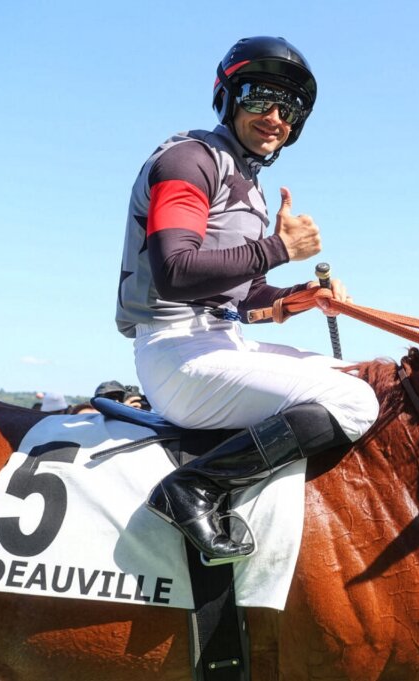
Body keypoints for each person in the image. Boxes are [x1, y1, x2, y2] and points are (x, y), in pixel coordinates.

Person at [114, 36, 379, 563]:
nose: (275, 117)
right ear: (229, 98)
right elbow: (175, 272)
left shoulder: (250, 185)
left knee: (360, 378)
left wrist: (302, 298)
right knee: (355, 402)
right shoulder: (189, 160)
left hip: (220, 343)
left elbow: (243, 297)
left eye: (289, 108)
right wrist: (280, 248)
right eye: (260, 98)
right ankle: (195, 488)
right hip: (175, 354)